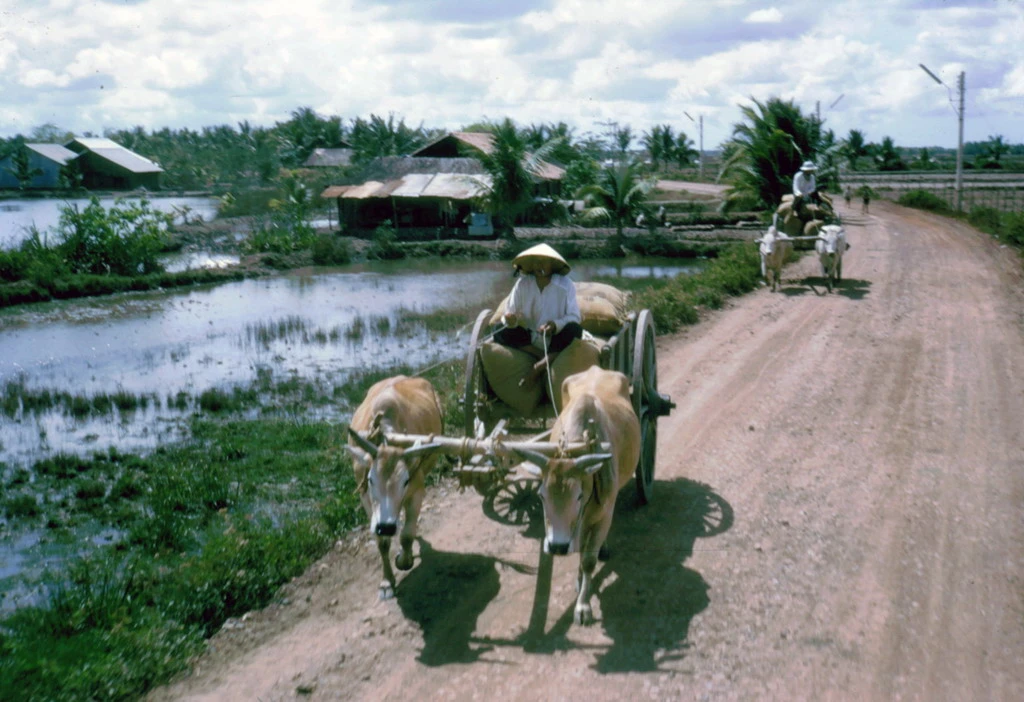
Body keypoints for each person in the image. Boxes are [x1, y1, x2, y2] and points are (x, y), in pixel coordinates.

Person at [494, 243, 583, 387]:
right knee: (498, 330)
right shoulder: (522, 284)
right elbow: (508, 313)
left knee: (575, 330)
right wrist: (510, 319)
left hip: (556, 338)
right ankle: (542, 356)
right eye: (536, 261)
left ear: (552, 265)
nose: (539, 265)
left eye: (544, 261)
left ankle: (537, 368)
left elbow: (574, 317)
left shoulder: (566, 285)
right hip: (530, 338)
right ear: (531, 265)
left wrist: (555, 325)